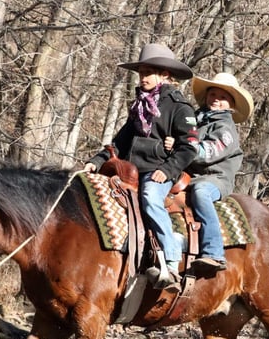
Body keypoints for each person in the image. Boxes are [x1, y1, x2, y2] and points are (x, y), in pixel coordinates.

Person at [84, 43, 198, 292]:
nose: (144, 77)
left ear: (165, 74)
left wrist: (167, 170)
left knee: (150, 198)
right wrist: (97, 161)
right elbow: (120, 142)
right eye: (141, 72)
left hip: (160, 170)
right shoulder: (139, 106)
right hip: (131, 169)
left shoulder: (179, 107)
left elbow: (190, 146)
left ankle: (170, 260)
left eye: (149, 72)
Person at [186, 72, 253, 275]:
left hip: (215, 178)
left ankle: (213, 251)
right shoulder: (194, 120)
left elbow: (208, 153)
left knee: (201, 193)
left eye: (223, 97)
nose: (216, 99)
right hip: (189, 175)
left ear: (231, 104)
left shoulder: (226, 129)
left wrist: (183, 149)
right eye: (212, 94)